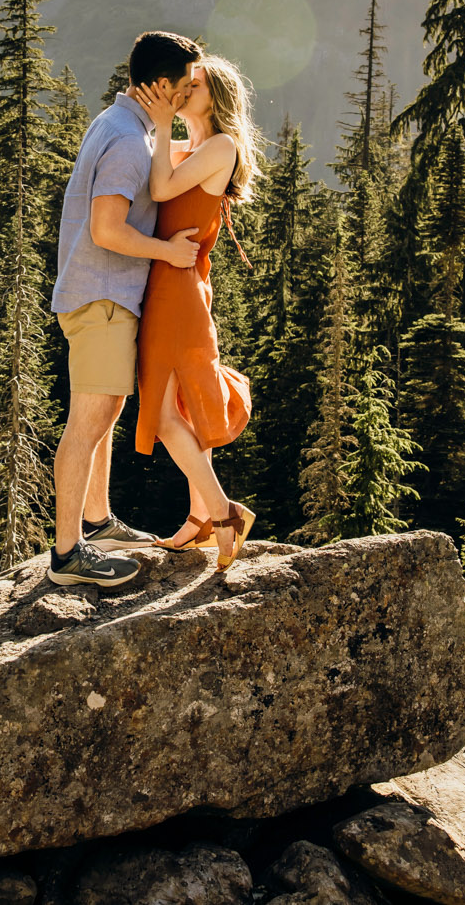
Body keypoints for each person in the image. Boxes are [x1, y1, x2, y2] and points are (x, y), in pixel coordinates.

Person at [46, 30, 204, 588]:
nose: (189, 95)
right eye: (185, 87)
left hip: (96, 295)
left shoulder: (116, 124)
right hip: (104, 298)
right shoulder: (126, 142)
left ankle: (97, 521)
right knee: (87, 422)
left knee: (104, 416)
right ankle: (68, 554)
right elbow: (107, 228)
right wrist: (168, 251)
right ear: (159, 86)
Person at [130, 54, 261, 570]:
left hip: (176, 291)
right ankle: (200, 519)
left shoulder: (221, 146)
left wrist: (162, 124)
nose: (186, 86)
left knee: (164, 416)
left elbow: (161, 188)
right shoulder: (196, 147)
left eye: (197, 82)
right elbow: (154, 170)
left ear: (217, 96)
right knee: (178, 408)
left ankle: (225, 512)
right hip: (172, 281)